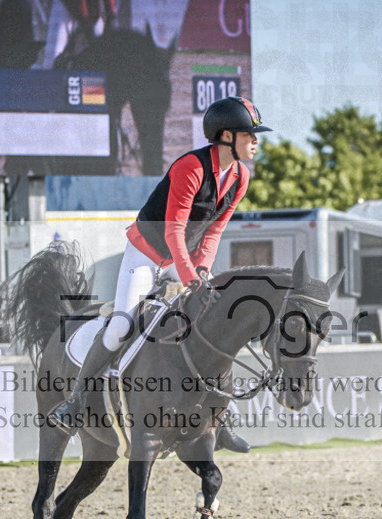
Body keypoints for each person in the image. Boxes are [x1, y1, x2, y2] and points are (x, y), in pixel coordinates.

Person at [50, 96, 271, 452]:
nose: (256, 141)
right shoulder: (191, 167)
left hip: (183, 260)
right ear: (227, 135)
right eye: (250, 134)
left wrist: (200, 271)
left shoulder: (240, 176)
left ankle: (219, 419)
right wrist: (188, 277)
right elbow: (173, 231)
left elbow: (213, 232)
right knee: (122, 324)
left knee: (209, 325)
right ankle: (75, 401)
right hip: (147, 253)